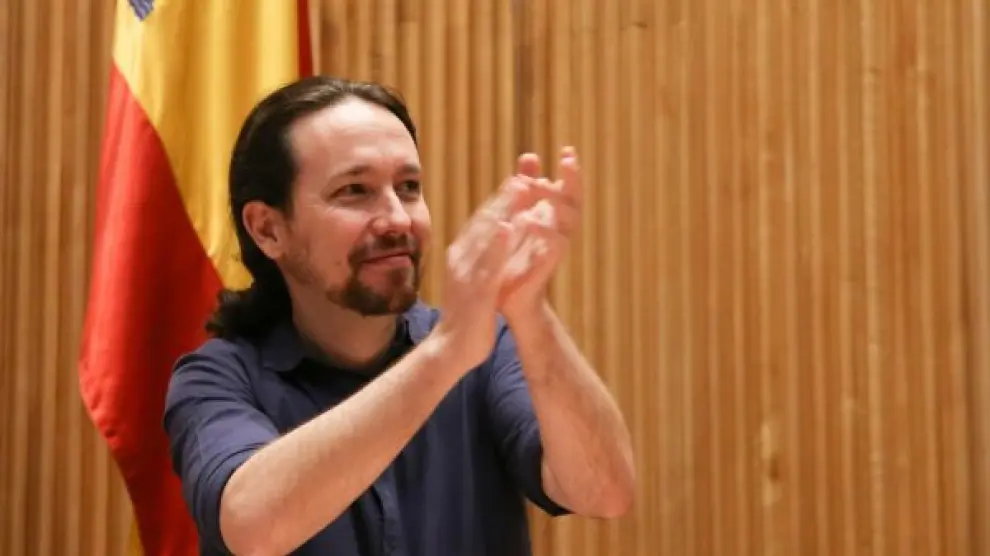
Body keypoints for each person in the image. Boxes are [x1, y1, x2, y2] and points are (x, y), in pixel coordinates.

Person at [163, 75, 635, 556]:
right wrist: (445, 354)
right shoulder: (215, 378)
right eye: (354, 190)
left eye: (408, 187)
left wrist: (529, 309)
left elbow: (604, 492)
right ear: (268, 229)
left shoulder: (490, 347)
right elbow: (252, 526)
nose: (397, 219)